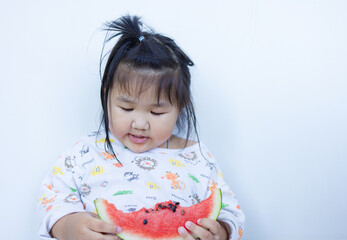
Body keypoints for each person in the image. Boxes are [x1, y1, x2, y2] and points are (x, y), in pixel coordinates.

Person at [37, 15, 245, 240]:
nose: (139, 124)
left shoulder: (197, 157)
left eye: (156, 113)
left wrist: (221, 231)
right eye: (126, 108)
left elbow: (230, 210)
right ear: (107, 96)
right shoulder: (85, 153)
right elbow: (51, 197)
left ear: (180, 106)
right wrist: (67, 226)